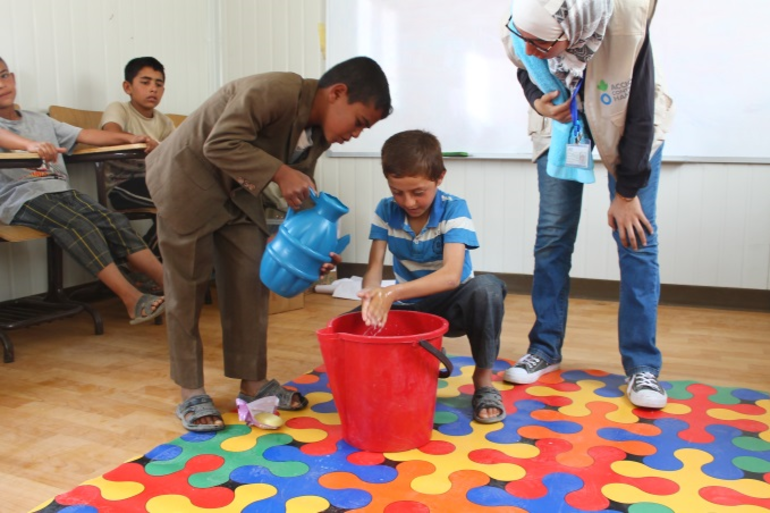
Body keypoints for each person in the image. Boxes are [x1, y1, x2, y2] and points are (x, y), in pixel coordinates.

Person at [145, 56, 392, 432]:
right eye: (359, 122)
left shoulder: (318, 132)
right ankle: (192, 391)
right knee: (186, 291)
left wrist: (305, 250)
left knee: (250, 281)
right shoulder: (276, 90)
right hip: (186, 184)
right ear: (337, 93)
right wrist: (279, 171)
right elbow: (220, 143)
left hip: (237, 194)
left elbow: (300, 195)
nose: (356, 133)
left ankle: (253, 384)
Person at [500, 0, 674, 408]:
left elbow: (641, 107)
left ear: (573, 29)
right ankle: (544, 348)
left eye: (544, 44)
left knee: (637, 239)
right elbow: (524, 64)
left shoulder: (627, 20)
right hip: (563, 123)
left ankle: (642, 368)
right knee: (552, 236)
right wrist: (537, 99)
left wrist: (627, 193)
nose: (533, 49)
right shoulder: (523, 19)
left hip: (626, 116)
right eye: (526, 39)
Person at [0, 57, 166, 325]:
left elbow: (87, 135)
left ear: (13, 78)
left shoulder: (39, 120)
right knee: (80, 226)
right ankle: (132, 299)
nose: (1, 84)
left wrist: (129, 137)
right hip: (23, 199)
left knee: (115, 222)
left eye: (4, 75)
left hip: (61, 191)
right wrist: (29, 145)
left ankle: (173, 287)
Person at [358, 130, 508, 424]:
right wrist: (371, 295)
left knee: (488, 289)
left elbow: (452, 276)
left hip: (455, 307)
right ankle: (399, 374)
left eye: (418, 192)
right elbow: (374, 267)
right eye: (397, 192)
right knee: (354, 319)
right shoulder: (385, 211)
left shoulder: (455, 208)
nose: (408, 202)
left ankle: (484, 381)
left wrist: (390, 294)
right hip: (412, 308)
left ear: (440, 178)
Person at [100, 56, 175, 258]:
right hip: (123, 185)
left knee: (191, 202)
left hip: (155, 181)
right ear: (128, 87)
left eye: (158, 84)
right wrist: (137, 140)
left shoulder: (164, 121)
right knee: (177, 205)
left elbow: (175, 153)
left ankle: (149, 265)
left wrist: (159, 147)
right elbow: (110, 133)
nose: (153, 89)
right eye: (145, 82)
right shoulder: (119, 109)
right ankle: (147, 268)